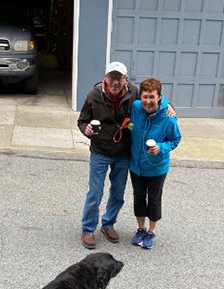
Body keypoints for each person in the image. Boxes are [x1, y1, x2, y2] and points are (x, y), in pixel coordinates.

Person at [77, 62, 174, 249]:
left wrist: (168, 105)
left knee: (118, 193)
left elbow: (153, 98)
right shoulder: (94, 95)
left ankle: (108, 224)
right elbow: (82, 121)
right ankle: (88, 229)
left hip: (123, 152)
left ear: (125, 79)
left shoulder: (134, 92)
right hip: (100, 151)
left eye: (119, 78)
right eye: (112, 77)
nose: (115, 82)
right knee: (95, 193)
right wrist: (86, 129)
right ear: (105, 78)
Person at [128, 77, 181, 250]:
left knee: (154, 200)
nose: (148, 101)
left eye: (152, 97)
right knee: (138, 198)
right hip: (136, 165)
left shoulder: (168, 117)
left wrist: (161, 147)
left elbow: (175, 139)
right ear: (140, 97)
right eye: (145, 96)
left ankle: (151, 231)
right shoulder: (135, 107)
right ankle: (140, 228)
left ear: (159, 97)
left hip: (157, 168)